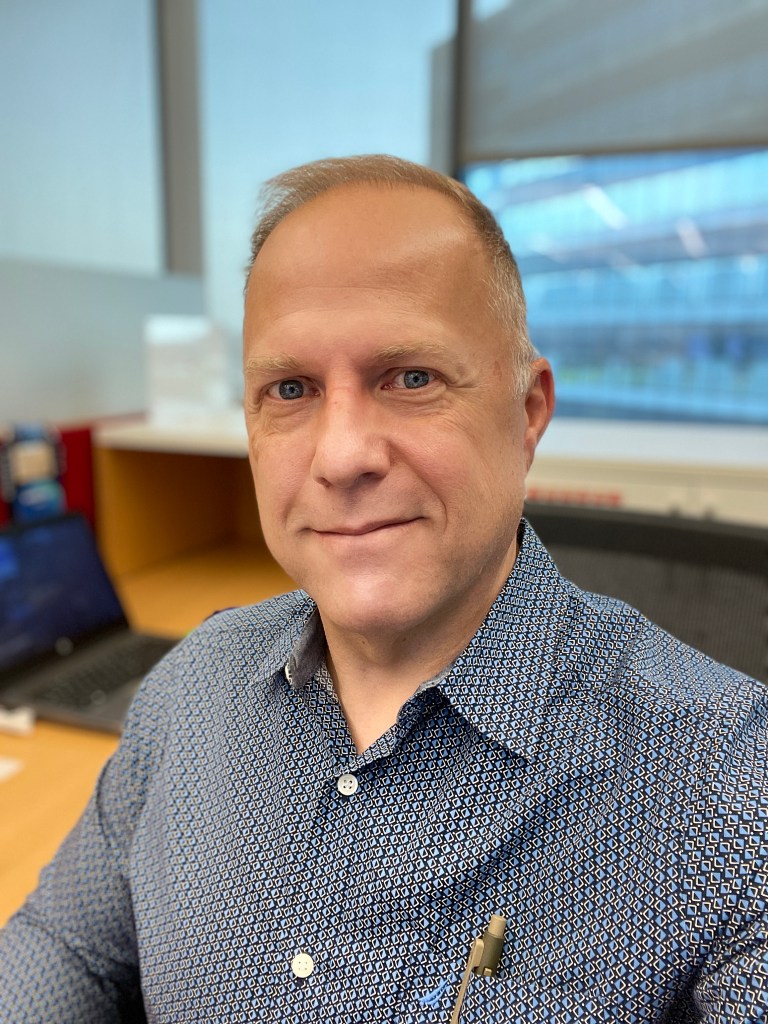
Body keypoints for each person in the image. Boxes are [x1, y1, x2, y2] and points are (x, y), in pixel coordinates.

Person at [0, 154, 766, 1023]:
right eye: (290, 389)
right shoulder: (192, 685)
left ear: (527, 413)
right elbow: (63, 947)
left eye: (411, 378)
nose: (341, 456)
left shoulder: (728, 788)